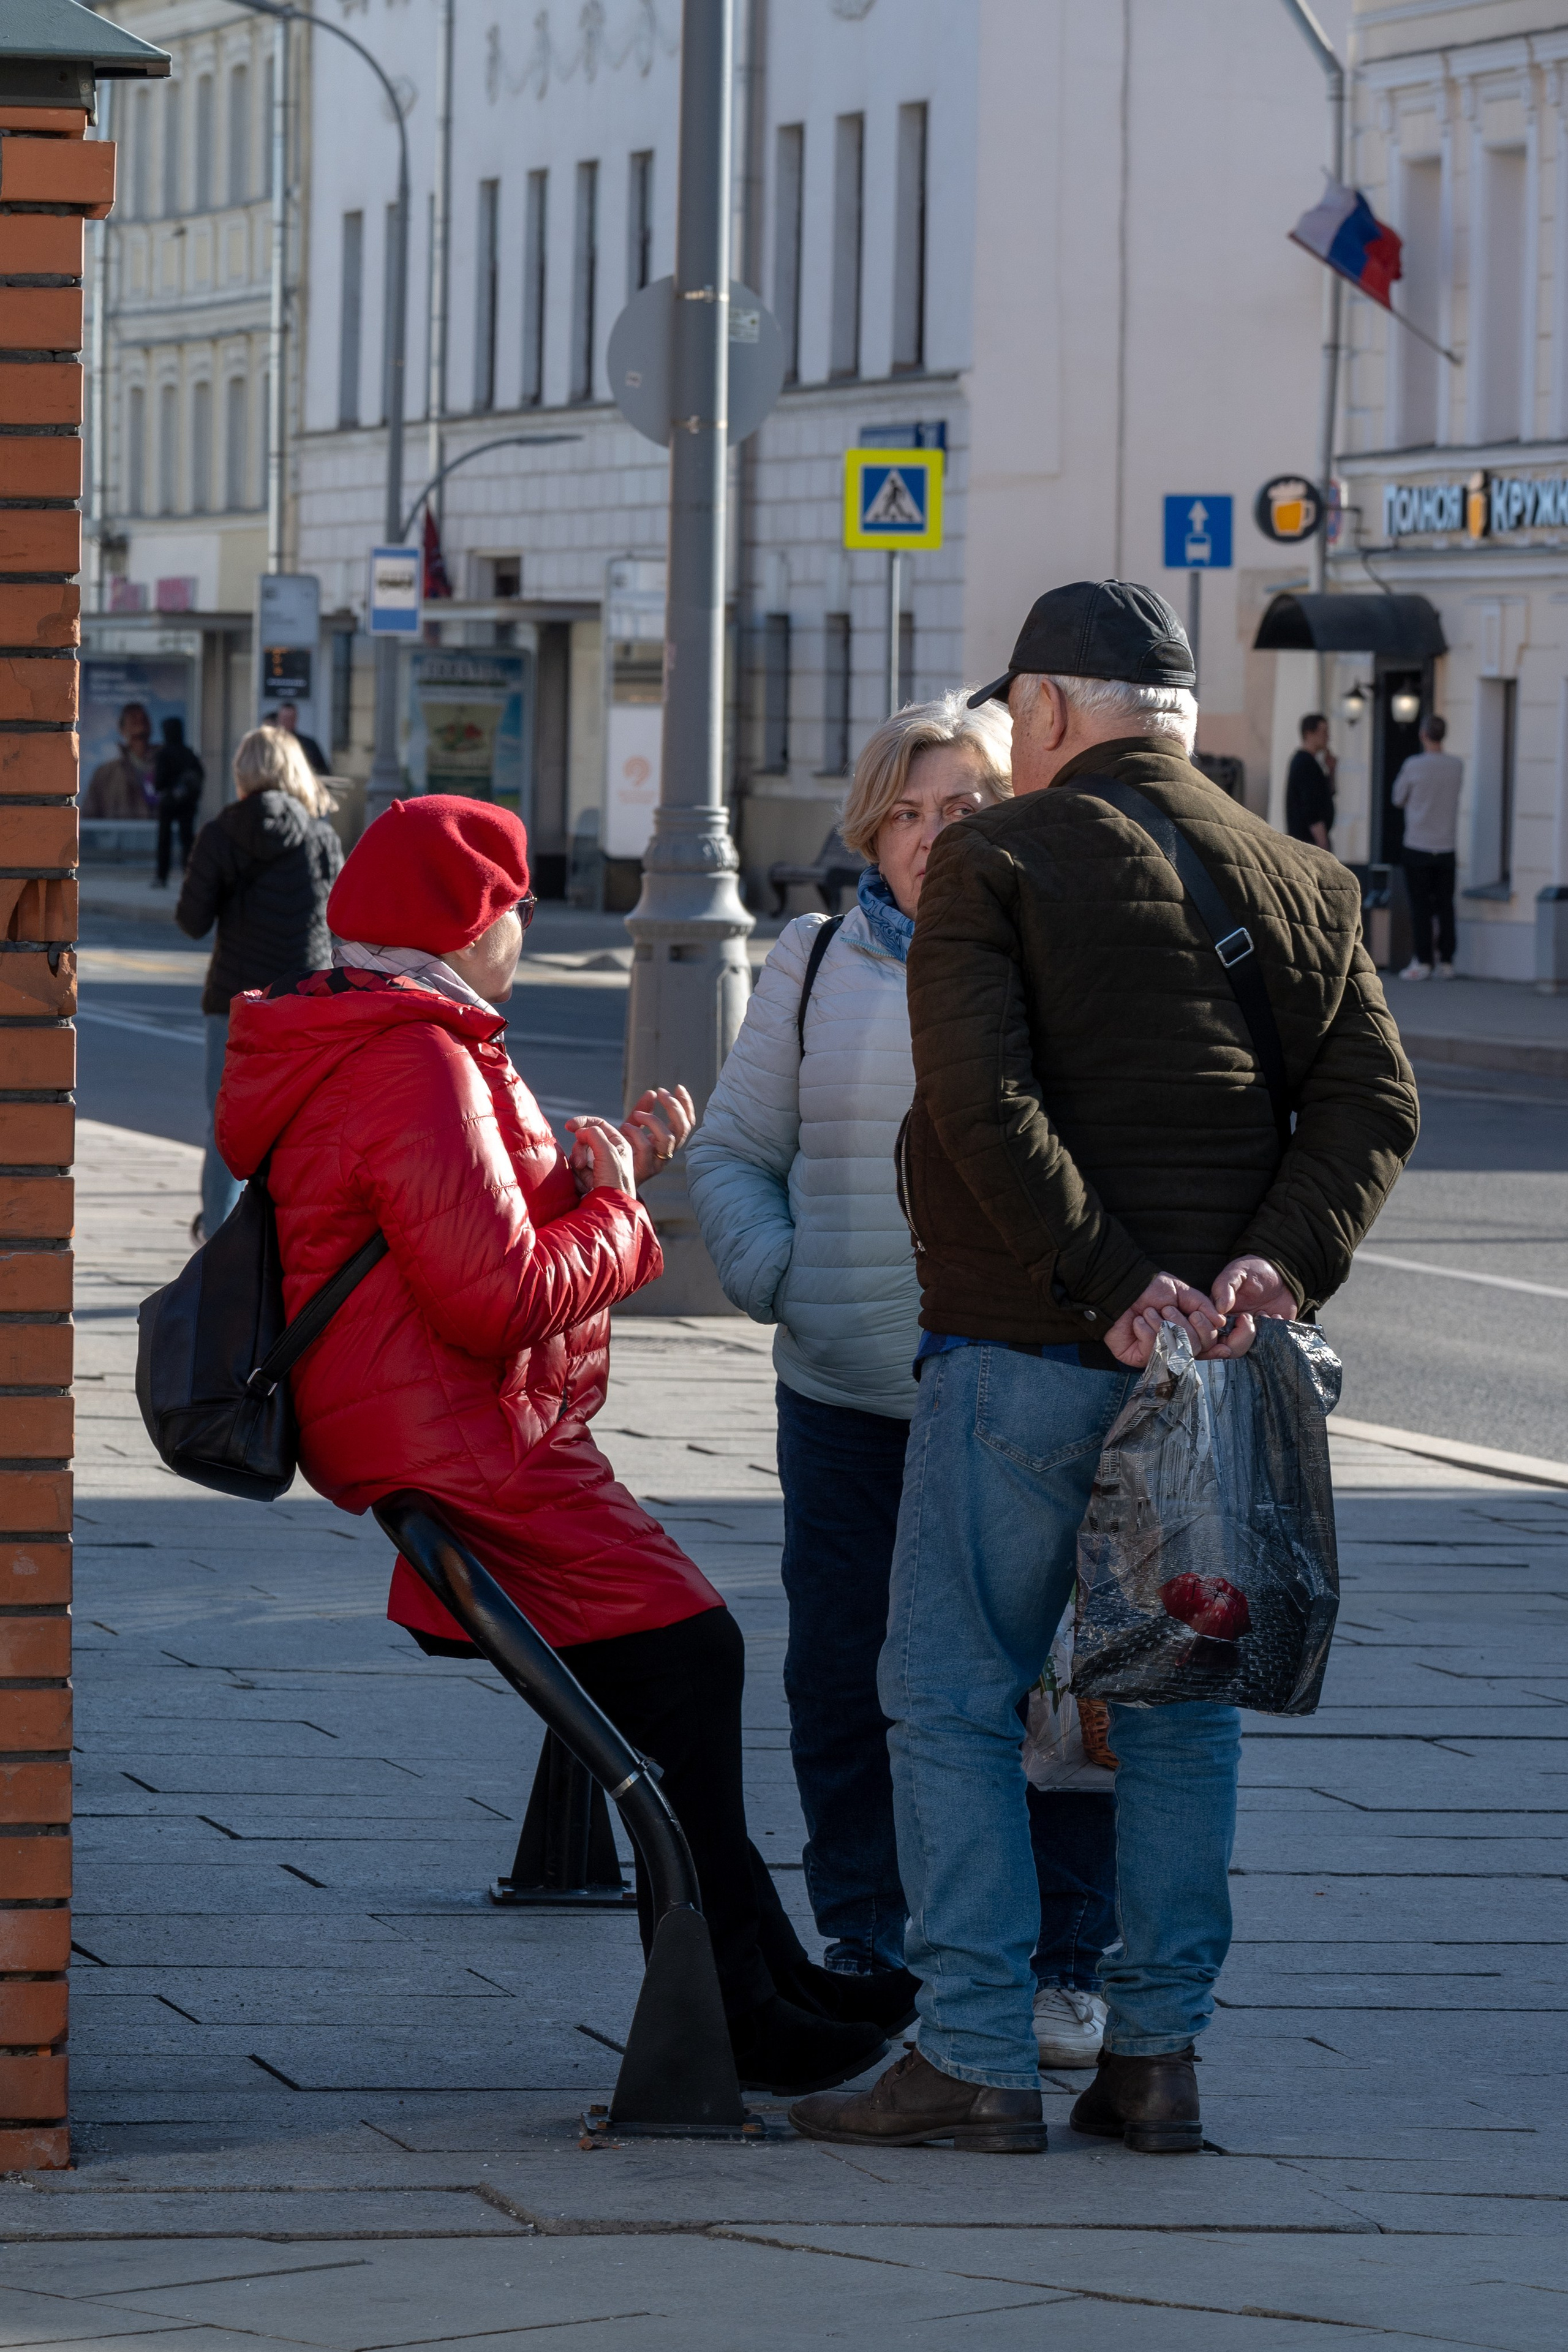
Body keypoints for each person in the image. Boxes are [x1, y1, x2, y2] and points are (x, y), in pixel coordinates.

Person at [790, 579, 1419, 2157]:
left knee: (944, 1691)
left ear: (1053, 712)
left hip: (1021, 1346)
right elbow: (1370, 1105)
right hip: (1214, 1374)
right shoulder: (1304, 878)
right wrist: (1263, 1264)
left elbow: (978, 1104)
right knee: (1178, 1702)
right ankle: (1154, 2060)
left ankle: (974, 2055)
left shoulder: (995, 860)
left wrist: (1108, 1278)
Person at [212, 794, 911, 2095]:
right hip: (465, 1438)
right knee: (692, 1660)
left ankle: (760, 1974)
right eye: (517, 906)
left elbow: (446, 1233)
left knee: (684, 1674)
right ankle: (738, 2005)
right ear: (472, 921)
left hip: (431, 1422)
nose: (528, 927)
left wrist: (608, 1163)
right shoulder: (411, 1059)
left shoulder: (383, 1034)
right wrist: (624, 1214)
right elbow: (495, 1295)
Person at [690, 691, 1117, 2070]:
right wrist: (782, 1278)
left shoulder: (1054, 958)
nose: (936, 836)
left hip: (1016, 1389)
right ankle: (866, 1938)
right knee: (839, 1674)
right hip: (847, 1393)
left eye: (967, 808)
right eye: (912, 811)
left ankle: (1060, 1966)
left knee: (1044, 1690)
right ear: (872, 829)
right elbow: (732, 1154)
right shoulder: (812, 964)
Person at [176, 726, 344, 1244]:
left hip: (234, 1002)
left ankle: (219, 1241)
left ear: (242, 773)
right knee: (301, 1127)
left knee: (226, 1126)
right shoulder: (321, 837)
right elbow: (341, 920)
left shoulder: (222, 833)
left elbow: (192, 921)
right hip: (306, 1002)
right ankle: (290, 1235)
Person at [1392, 713, 1462, 981]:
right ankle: (1447, 961)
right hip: (1446, 845)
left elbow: (1398, 798)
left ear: (1423, 735)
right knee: (1445, 904)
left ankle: (1423, 961)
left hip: (1418, 844)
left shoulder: (1414, 765)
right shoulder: (1456, 766)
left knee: (1420, 906)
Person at [151, 715, 205, 888]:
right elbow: (200, 776)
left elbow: (159, 783)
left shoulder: (164, 754)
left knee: (165, 840)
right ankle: (188, 875)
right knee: (187, 840)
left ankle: (162, 877)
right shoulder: (189, 753)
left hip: (168, 803)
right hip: (187, 804)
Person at [83, 701, 157, 820]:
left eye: (143, 720)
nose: (139, 724)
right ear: (122, 729)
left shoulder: (165, 768)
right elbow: (89, 816)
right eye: (133, 720)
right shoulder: (105, 774)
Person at [1284, 712, 1335, 849]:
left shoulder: (1312, 764)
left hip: (1310, 840)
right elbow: (1311, 806)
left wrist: (1331, 771)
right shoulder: (1305, 763)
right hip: (1308, 841)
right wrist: (1322, 842)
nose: (1327, 737)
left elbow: (1327, 795)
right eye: (1323, 732)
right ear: (1309, 734)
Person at [274, 701, 330, 777]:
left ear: (296, 719)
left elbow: (322, 771)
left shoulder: (309, 744)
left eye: (290, 719)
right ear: (279, 719)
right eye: (285, 719)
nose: (287, 722)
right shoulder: (270, 743)